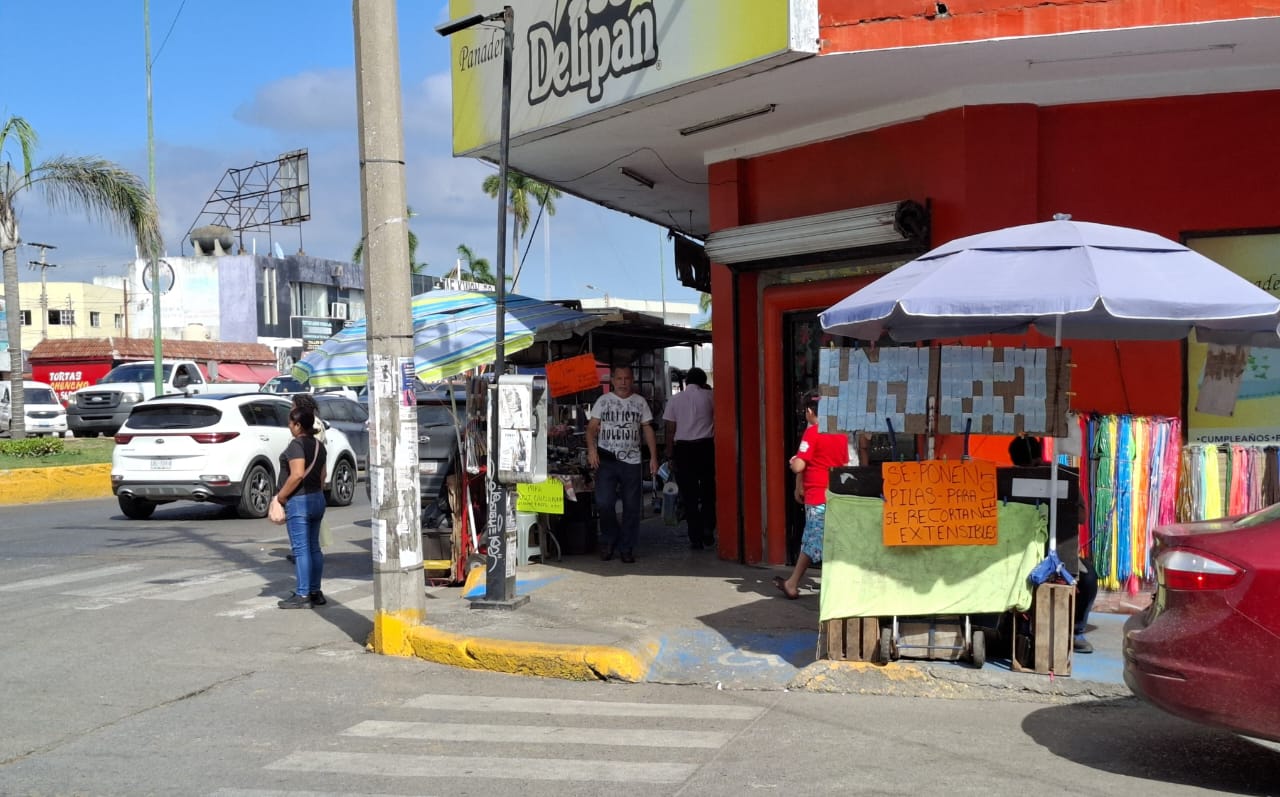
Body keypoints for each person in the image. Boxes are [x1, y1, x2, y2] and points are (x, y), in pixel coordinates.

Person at [775, 390, 849, 599]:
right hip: (836, 493)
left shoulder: (813, 432)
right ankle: (793, 582)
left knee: (814, 540)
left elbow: (799, 465)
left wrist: (793, 462)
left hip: (817, 494)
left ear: (809, 411)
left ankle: (802, 583)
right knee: (824, 539)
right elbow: (842, 461)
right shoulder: (840, 434)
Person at [587, 364, 659, 564]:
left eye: (627, 379)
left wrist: (653, 457)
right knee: (604, 502)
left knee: (631, 507)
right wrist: (592, 450)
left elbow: (648, 430)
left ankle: (627, 547)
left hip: (632, 461)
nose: (623, 383)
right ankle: (610, 539)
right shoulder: (603, 401)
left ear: (632, 381)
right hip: (607, 459)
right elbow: (591, 428)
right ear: (612, 381)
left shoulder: (640, 402)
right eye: (619, 379)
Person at [275, 407, 328, 609]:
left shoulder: (297, 445)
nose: (289, 426)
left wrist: (281, 497)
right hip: (317, 498)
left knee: (301, 549)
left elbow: (296, 474)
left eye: (290, 423)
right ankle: (315, 591)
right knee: (314, 547)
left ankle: (303, 594)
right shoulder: (318, 445)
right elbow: (323, 476)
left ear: (298, 425)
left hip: (299, 501)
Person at [662, 367, 716, 550]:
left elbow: (670, 430)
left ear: (686, 382)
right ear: (703, 382)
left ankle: (695, 537)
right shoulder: (711, 397)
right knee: (709, 491)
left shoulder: (675, 400)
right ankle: (709, 527)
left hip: (683, 450)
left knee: (690, 495)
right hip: (707, 447)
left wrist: (670, 454)